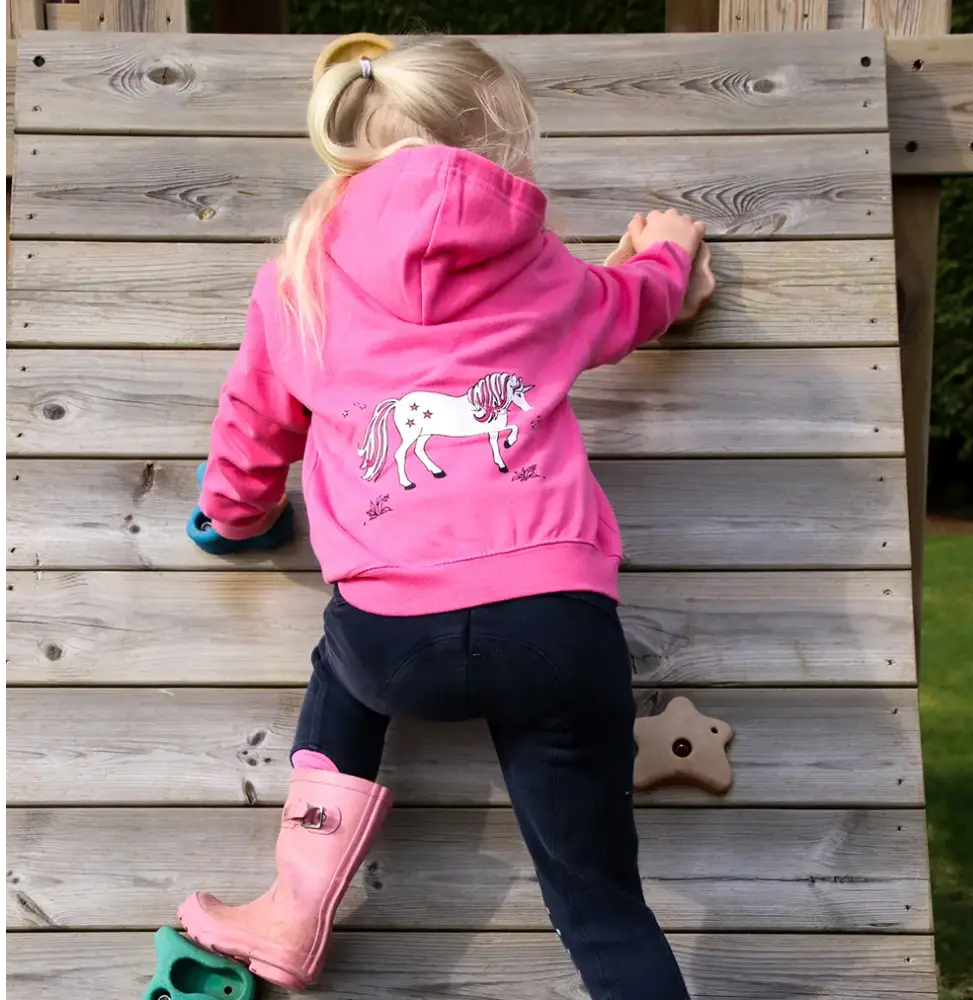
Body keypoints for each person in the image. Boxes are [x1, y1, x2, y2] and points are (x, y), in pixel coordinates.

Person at [177, 35, 714, 999]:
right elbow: (627, 303)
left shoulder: (297, 278)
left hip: (394, 645)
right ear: (497, 146)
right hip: (557, 624)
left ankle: (296, 905)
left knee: (343, 655)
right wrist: (672, 259)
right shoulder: (543, 271)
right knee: (600, 906)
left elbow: (254, 427)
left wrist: (236, 518)